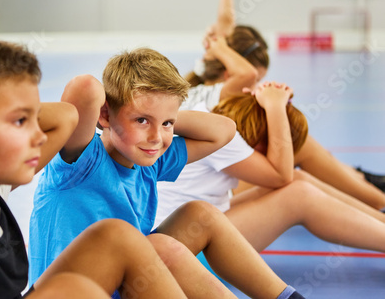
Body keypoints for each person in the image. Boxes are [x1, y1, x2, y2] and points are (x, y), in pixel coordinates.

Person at [0, 28, 191, 299]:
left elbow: (66, 117)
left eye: (34, 117)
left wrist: (12, 109)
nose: (38, 135)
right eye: (20, 121)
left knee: (113, 240)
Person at [29, 47, 306, 299]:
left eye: (167, 124)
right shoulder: (82, 159)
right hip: (69, 292)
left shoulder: (151, 159)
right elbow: (84, 87)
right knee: (159, 246)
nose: (155, 137)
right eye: (141, 120)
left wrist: (160, 115)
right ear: (104, 115)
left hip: (122, 282)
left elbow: (224, 130)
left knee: (200, 214)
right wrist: (128, 111)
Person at [183, 0, 385, 210]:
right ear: (230, 72)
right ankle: (375, 198)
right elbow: (245, 71)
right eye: (258, 79)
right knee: (298, 145)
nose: (256, 84)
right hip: (216, 190)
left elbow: (225, 22)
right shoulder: (221, 92)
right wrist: (219, 46)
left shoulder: (199, 83)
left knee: (300, 147)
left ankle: (362, 180)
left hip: (216, 179)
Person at [156, 82, 385, 261]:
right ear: (262, 142)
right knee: (299, 196)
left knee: (298, 179)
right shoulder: (227, 137)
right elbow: (280, 175)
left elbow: (286, 176)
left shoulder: (211, 116)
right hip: (189, 253)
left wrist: (264, 102)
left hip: (183, 234)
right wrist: (275, 107)